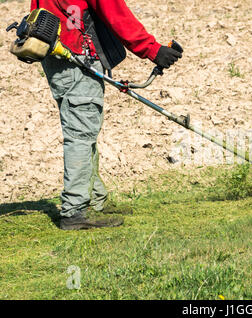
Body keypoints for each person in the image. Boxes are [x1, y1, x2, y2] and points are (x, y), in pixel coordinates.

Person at [31, 0, 182, 230]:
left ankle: (95, 200)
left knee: (84, 127)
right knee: (81, 133)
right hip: (76, 53)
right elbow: (113, 10)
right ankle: (75, 211)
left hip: (55, 49)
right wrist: (152, 49)